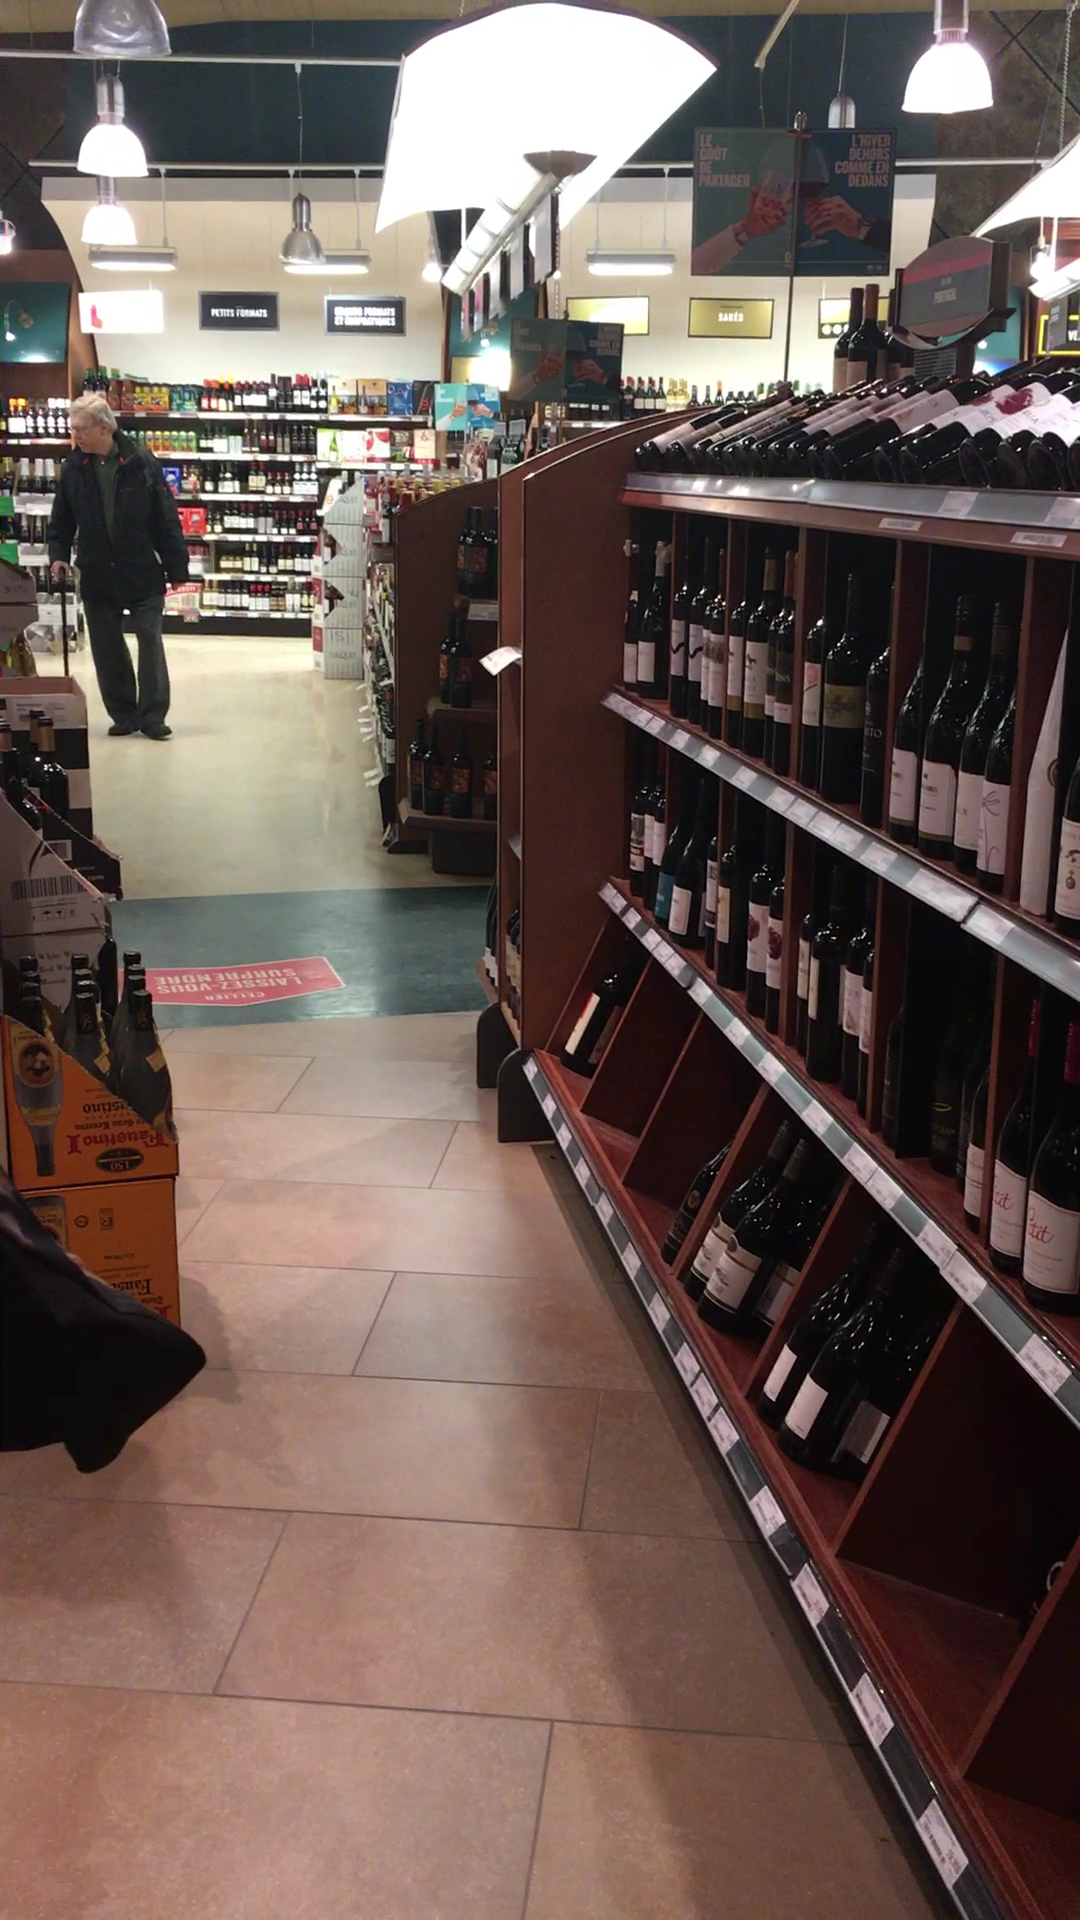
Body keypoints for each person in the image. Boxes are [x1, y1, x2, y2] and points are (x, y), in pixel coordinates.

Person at [48, 393, 188, 740]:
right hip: (97, 571)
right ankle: (123, 714)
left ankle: (153, 716)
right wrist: (58, 555)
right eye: (74, 429)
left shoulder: (141, 462)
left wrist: (177, 568)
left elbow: (165, 517)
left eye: (81, 429)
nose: (76, 436)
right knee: (106, 646)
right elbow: (61, 519)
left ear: (104, 427)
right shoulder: (74, 468)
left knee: (149, 641)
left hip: (140, 568)